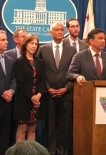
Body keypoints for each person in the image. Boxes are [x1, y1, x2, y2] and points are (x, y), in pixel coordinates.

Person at [37, 22, 76, 155]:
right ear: (50, 32)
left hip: (66, 94)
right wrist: (47, 88)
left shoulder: (71, 50)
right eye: (56, 30)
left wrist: (67, 88)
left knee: (64, 127)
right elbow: (40, 71)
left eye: (61, 30)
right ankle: (51, 152)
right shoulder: (43, 49)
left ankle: (62, 152)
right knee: (50, 127)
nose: (60, 32)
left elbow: (75, 71)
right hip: (49, 95)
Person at [14, 34, 46, 143]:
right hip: (24, 99)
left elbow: (43, 81)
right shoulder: (19, 61)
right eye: (31, 43)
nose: (34, 46)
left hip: (37, 99)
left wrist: (39, 96)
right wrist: (32, 97)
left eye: (36, 44)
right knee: (22, 128)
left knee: (32, 129)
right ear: (25, 44)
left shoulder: (40, 62)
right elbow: (20, 83)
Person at [4, 28, 27, 146]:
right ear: (15, 39)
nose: (26, 39)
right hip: (12, 97)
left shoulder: (33, 55)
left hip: (26, 97)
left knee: (26, 128)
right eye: (23, 37)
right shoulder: (7, 55)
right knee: (10, 128)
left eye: (26, 36)